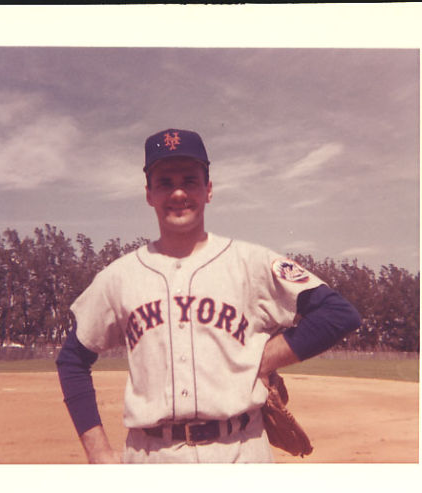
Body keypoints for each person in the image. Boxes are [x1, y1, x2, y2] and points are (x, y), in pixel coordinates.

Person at [56, 128, 361, 463]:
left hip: (241, 451)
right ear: (149, 194)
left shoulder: (250, 262)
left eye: (190, 181)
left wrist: (265, 358)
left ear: (208, 190)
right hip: (150, 457)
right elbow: (72, 359)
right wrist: (98, 450)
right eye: (165, 183)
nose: (178, 193)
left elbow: (338, 313)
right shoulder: (119, 277)